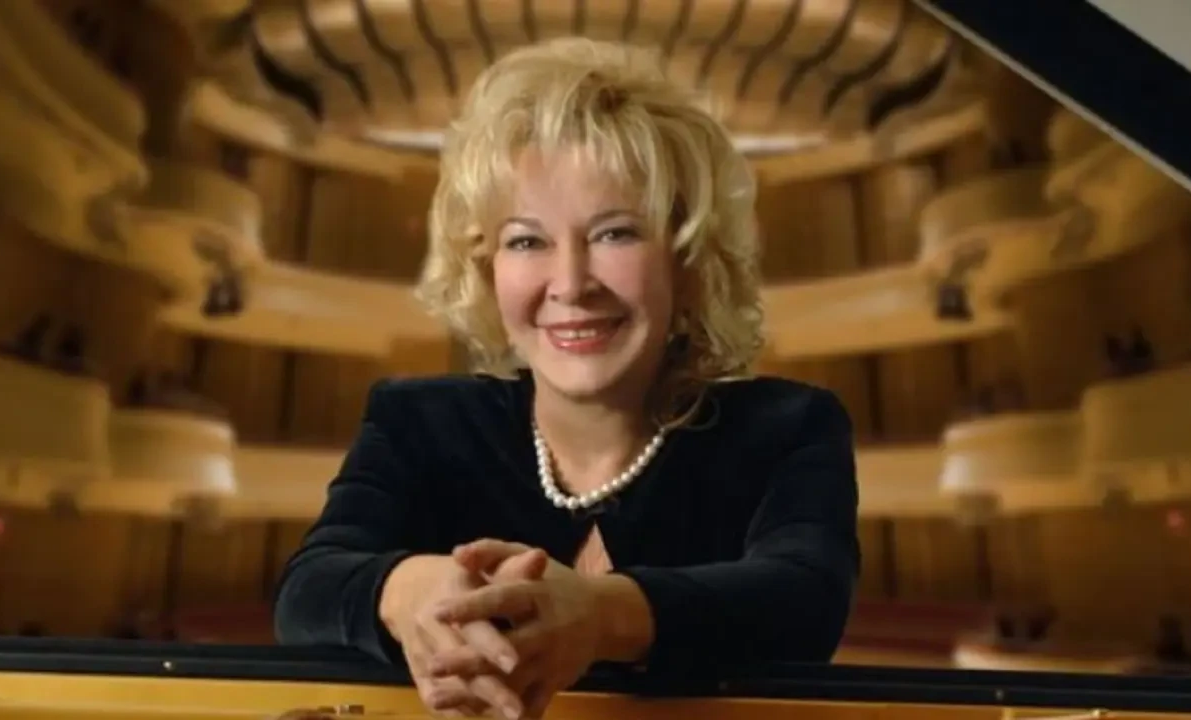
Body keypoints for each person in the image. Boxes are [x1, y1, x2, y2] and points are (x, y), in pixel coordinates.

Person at [273, 37, 860, 719]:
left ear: (688, 261)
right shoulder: (417, 421)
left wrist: (597, 615)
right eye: (527, 240)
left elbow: (804, 601)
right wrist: (409, 590)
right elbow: (306, 591)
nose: (572, 283)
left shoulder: (789, 429)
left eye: (615, 233)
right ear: (486, 269)